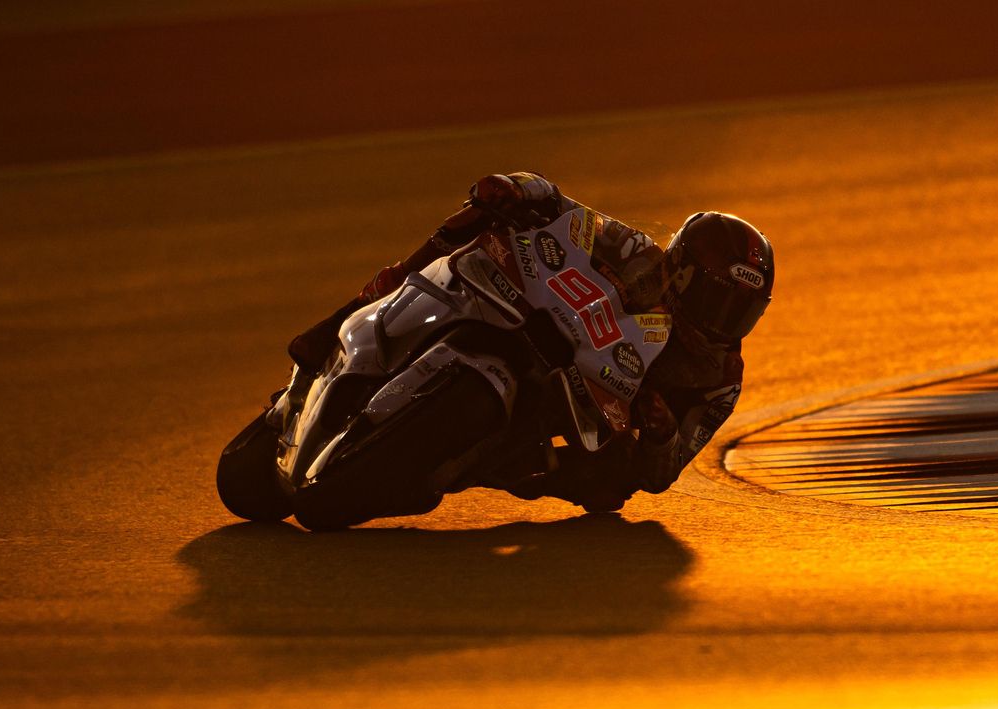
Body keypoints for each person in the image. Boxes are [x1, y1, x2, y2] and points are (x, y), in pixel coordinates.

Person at [287, 172, 774, 512]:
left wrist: (663, 434)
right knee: (482, 218)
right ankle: (343, 318)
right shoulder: (639, 254)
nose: (723, 322)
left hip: (591, 414)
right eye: (718, 301)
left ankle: (478, 467)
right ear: (684, 274)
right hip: (544, 322)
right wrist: (524, 189)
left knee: (610, 487)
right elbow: (571, 212)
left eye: (741, 311)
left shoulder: (720, 379)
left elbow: (662, 475)